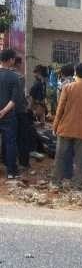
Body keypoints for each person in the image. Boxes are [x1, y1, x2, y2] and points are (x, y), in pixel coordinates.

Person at [52, 63, 82, 190]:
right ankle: (78, 184)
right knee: (80, 158)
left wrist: (55, 126)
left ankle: (56, 182)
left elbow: (60, 109)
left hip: (65, 128)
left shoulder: (67, 88)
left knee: (60, 156)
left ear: (76, 73)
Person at [0, 49, 20, 179]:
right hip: (7, 116)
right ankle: (11, 171)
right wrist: (3, 111)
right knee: (10, 142)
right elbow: (14, 100)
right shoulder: (14, 76)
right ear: (11, 60)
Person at [12, 56, 32, 169]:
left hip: (5, 112)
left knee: (9, 138)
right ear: (17, 63)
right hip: (19, 111)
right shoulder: (19, 77)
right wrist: (26, 105)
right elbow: (19, 96)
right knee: (23, 137)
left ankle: (7, 161)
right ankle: (24, 162)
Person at [57, 63, 76, 180]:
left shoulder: (62, 85)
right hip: (79, 118)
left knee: (66, 147)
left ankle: (67, 173)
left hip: (65, 118)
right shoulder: (79, 84)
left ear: (63, 73)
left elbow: (60, 104)